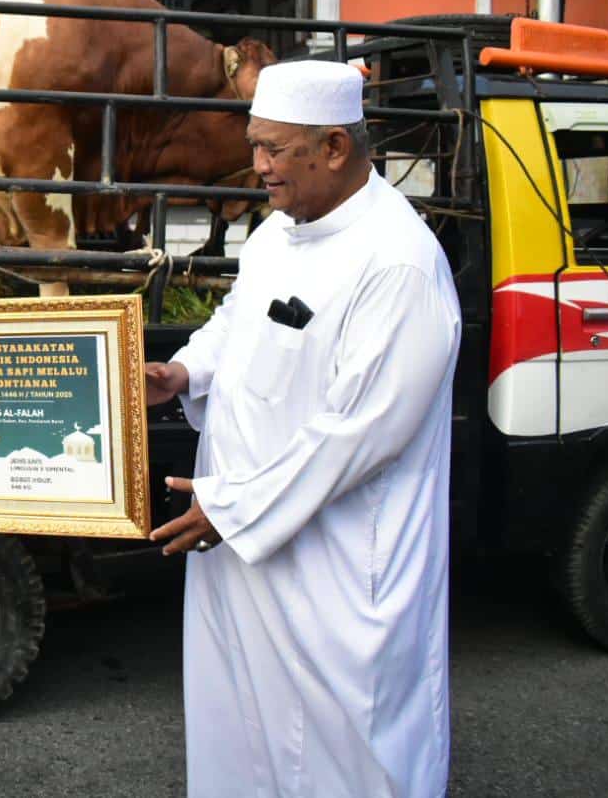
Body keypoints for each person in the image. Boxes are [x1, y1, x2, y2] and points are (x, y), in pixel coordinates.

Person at [144, 61, 461, 798]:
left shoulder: (397, 263)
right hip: (245, 535)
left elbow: (358, 432)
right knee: (242, 726)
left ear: (334, 148)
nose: (256, 167)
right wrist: (182, 373)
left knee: (340, 746)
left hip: (338, 564)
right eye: (254, 145)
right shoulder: (280, 233)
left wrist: (233, 507)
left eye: (273, 149)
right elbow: (236, 326)